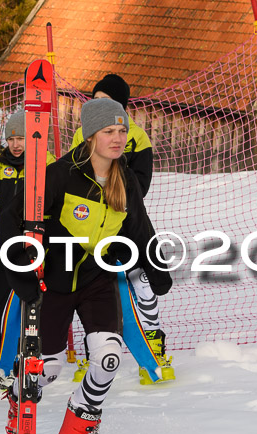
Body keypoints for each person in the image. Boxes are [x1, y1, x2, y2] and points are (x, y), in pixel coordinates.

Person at [0, 99, 173, 434]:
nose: (118, 138)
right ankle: (18, 396)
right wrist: (19, 273)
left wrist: (157, 269)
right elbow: (9, 223)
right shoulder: (60, 174)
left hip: (98, 280)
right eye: (109, 131)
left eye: (123, 131)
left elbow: (140, 229)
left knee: (108, 358)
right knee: (47, 369)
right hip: (54, 282)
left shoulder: (124, 178)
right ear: (91, 134)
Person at [71, 73, 174, 384]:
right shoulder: (82, 135)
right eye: (96, 99)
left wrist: (116, 195)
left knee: (142, 280)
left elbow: (139, 185)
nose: (99, 105)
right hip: (92, 226)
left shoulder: (137, 137)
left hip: (126, 222)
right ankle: (97, 349)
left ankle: (153, 342)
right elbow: (74, 177)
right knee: (94, 287)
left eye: (107, 101)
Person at [0, 111, 55, 383]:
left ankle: (31, 352)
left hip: (36, 242)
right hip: (6, 242)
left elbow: (58, 195)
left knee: (35, 298)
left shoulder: (46, 161)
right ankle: (3, 354)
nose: (16, 144)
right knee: (0, 300)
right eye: (12, 139)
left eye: (21, 138)